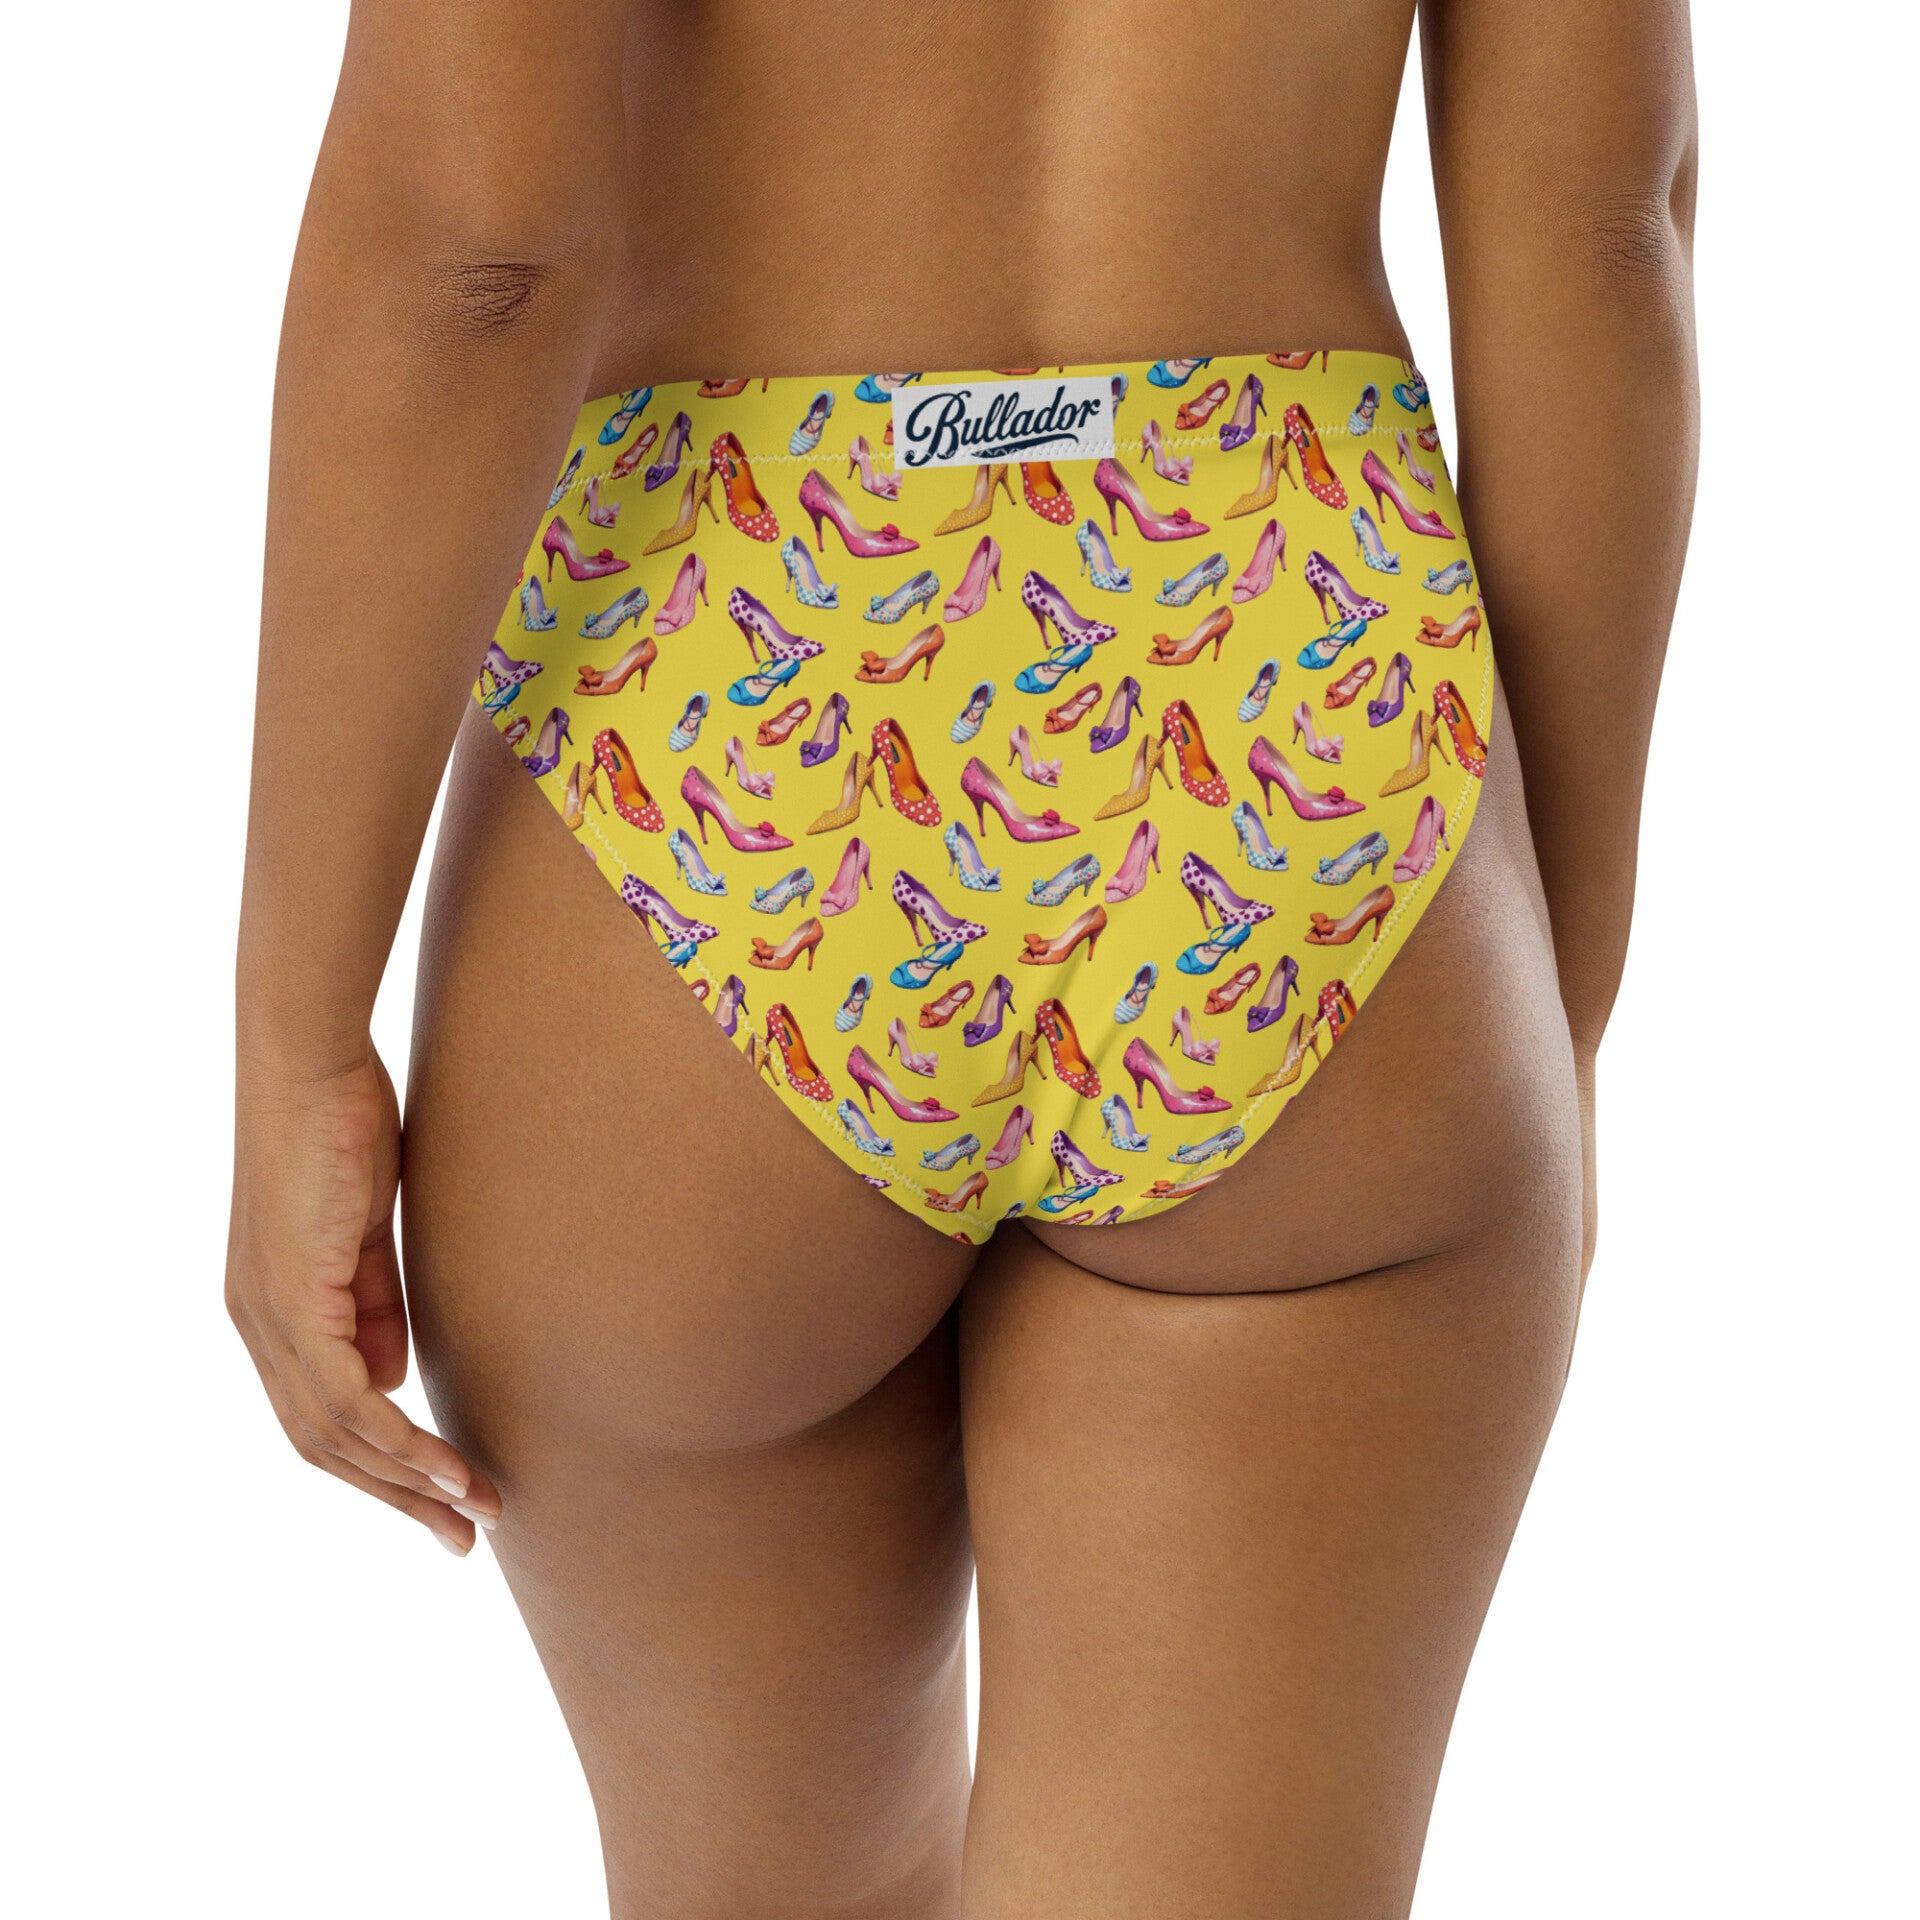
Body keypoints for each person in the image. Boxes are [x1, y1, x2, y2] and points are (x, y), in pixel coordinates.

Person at [225, 1, 1697, 1912]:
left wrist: (296, 1031)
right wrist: (1549, 1005)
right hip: (1296, 685)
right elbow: (1603, 232)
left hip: (723, 691)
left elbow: (472, 251)